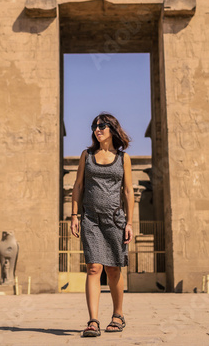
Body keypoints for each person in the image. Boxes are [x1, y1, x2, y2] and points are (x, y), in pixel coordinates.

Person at [71, 113, 134, 337]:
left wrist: (129, 223)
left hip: (115, 220)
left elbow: (128, 191)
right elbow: (78, 186)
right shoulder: (86, 156)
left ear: (112, 129)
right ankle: (93, 321)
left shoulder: (123, 158)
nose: (97, 129)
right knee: (94, 268)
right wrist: (74, 215)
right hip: (91, 219)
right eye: (94, 126)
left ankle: (118, 315)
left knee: (113, 269)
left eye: (102, 126)